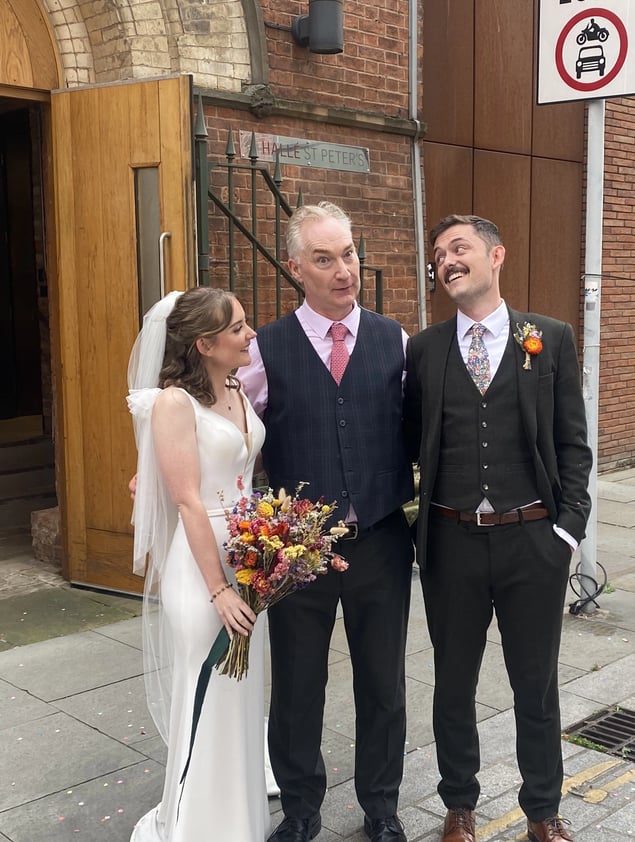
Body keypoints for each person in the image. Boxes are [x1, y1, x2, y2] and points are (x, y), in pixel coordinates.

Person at [403, 215, 592, 842]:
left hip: (532, 541)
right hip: (451, 541)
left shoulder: (550, 338)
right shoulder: (425, 349)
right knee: (453, 683)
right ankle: (459, 805)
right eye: (439, 254)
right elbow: (409, 443)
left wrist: (566, 531)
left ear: (496, 256)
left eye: (460, 249)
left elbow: (572, 443)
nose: (447, 261)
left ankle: (543, 812)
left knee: (534, 684)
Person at [238, 201, 415, 842]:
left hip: (380, 539)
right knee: (297, 684)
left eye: (349, 254)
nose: (344, 271)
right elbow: (229, 431)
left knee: (383, 682)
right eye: (324, 259)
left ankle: (382, 808)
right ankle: (302, 808)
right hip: (297, 548)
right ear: (295, 269)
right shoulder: (264, 348)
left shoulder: (395, 340)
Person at [127, 287, 270, 842]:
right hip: (202, 563)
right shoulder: (172, 403)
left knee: (243, 689)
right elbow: (187, 497)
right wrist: (219, 590)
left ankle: (239, 821)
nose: (250, 334)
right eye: (238, 327)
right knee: (207, 685)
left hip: (250, 553)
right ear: (204, 343)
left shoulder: (235, 387)